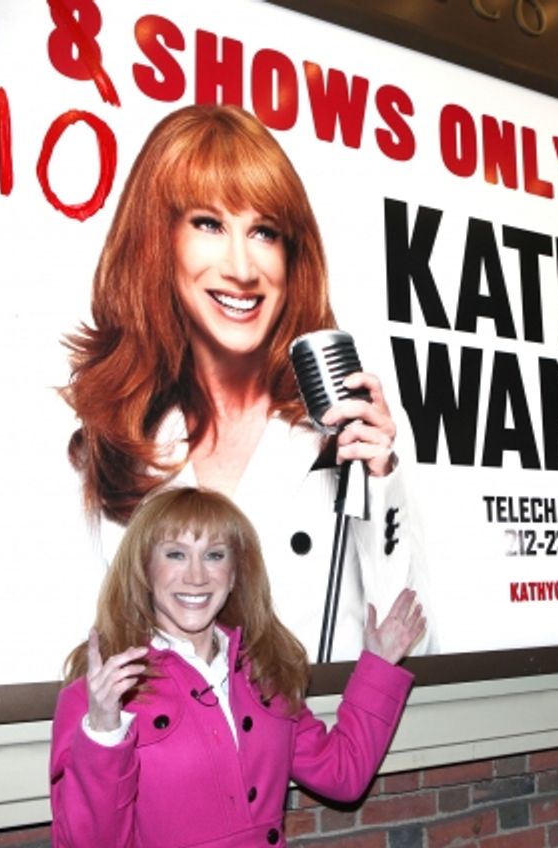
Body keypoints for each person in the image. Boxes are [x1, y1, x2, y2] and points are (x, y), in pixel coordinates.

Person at [62, 104, 432, 661]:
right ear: (156, 241)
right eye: (209, 224)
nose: (242, 267)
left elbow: (414, 645)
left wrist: (379, 481)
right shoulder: (115, 437)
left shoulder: (335, 436)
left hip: (317, 739)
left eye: (264, 232)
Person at [49, 486, 425, 847]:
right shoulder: (102, 692)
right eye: (175, 554)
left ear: (235, 573)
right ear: (145, 570)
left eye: (214, 555)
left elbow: (342, 776)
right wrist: (102, 733)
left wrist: (378, 665)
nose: (196, 577)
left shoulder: (263, 672)